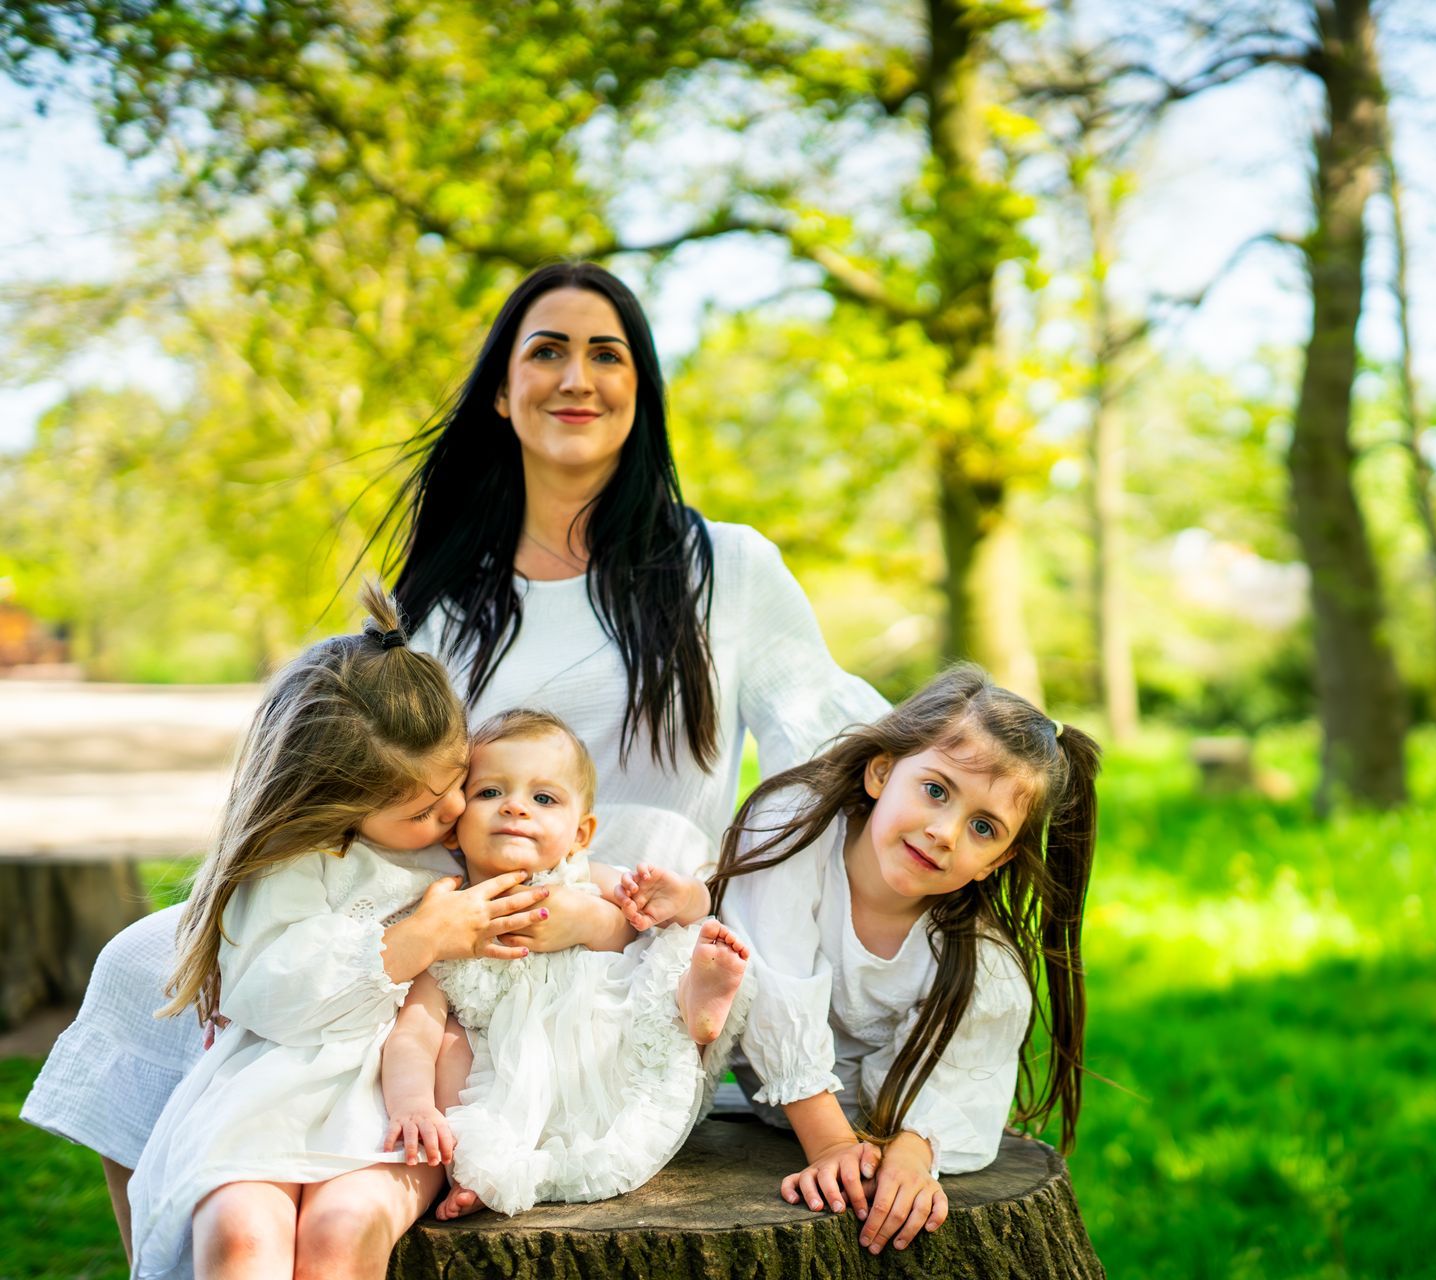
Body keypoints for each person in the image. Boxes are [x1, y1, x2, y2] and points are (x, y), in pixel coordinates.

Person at [23, 260, 888, 1252]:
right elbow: (371, 770)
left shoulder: (722, 567)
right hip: (442, 901)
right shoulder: (444, 583)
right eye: (546, 350)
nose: (578, 376)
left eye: (607, 354)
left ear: (641, 391)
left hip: (630, 938)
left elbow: (832, 746)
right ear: (499, 390)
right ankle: (171, 1251)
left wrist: (620, 910)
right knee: (142, 963)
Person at [126, 584, 551, 1280]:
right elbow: (273, 995)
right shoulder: (297, 863)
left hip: (399, 1105)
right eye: (421, 810)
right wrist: (421, 937)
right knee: (239, 1238)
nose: (452, 810)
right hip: (273, 1092)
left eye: (458, 781)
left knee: (340, 1234)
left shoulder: (475, 838)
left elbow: (568, 895)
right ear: (334, 802)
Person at [711, 665, 1100, 1255]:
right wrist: (832, 1148)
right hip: (783, 1103)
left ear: (997, 859)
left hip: (878, 1127)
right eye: (936, 790)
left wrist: (911, 1156)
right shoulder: (796, 830)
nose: (945, 833)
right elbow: (770, 983)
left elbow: (960, 1078)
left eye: (983, 826)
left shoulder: (979, 962)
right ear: (883, 769)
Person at [381, 708, 750, 1220]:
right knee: (446, 1045)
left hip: (609, 1051)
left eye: (543, 798)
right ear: (452, 826)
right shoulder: (448, 915)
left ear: (580, 833)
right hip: (515, 1079)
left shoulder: (586, 876)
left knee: (675, 941)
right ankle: (478, 1167)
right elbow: (412, 1033)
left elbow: (687, 911)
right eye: (490, 793)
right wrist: (412, 1105)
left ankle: (698, 1000)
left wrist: (681, 894)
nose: (515, 808)